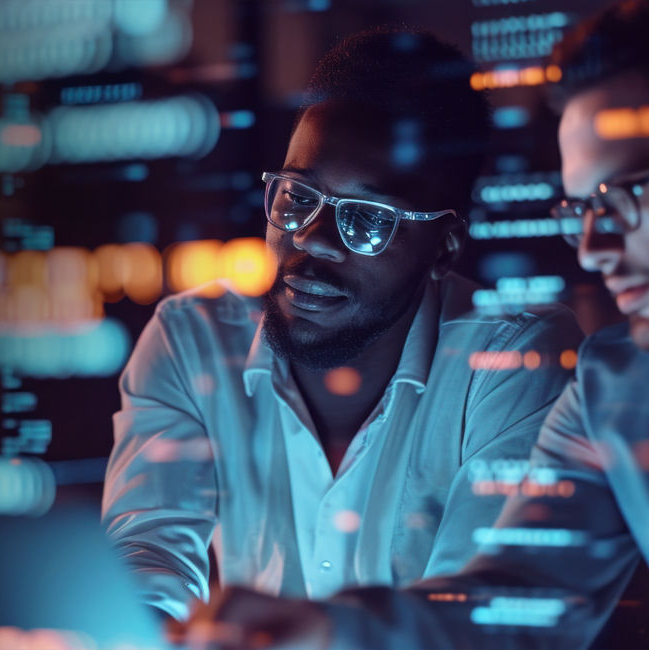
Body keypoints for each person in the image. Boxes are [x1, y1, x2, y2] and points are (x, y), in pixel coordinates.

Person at [205, 1, 649, 648]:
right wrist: (325, 630)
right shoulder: (616, 394)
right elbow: (515, 601)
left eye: (619, 197)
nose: (595, 249)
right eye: (579, 210)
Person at [100, 28, 582, 624]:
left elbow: (484, 615)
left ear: (444, 246)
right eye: (297, 197)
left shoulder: (513, 360)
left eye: (368, 219)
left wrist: (320, 635)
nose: (311, 240)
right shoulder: (191, 340)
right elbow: (149, 554)